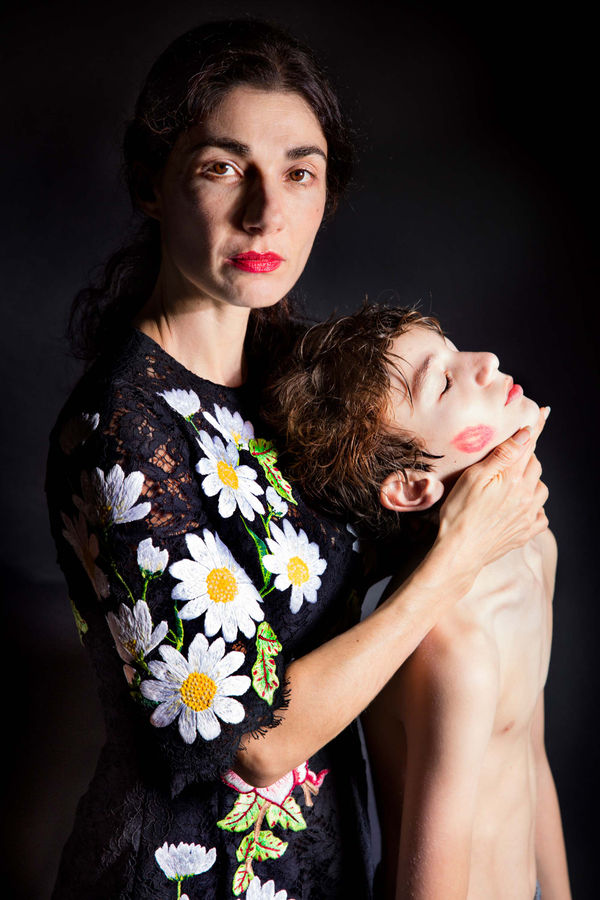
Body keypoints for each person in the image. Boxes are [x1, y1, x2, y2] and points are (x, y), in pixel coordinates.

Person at [45, 20, 548, 900]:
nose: (265, 210)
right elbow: (255, 740)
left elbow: (423, 496)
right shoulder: (117, 430)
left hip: (335, 872)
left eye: (299, 171)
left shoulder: (295, 381)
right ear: (152, 183)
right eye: (222, 166)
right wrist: (461, 547)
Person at [263, 304, 570, 899]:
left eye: (457, 350)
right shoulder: (452, 646)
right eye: (445, 381)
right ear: (409, 486)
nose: (486, 363)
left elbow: (530, 754)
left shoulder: (538, 551)